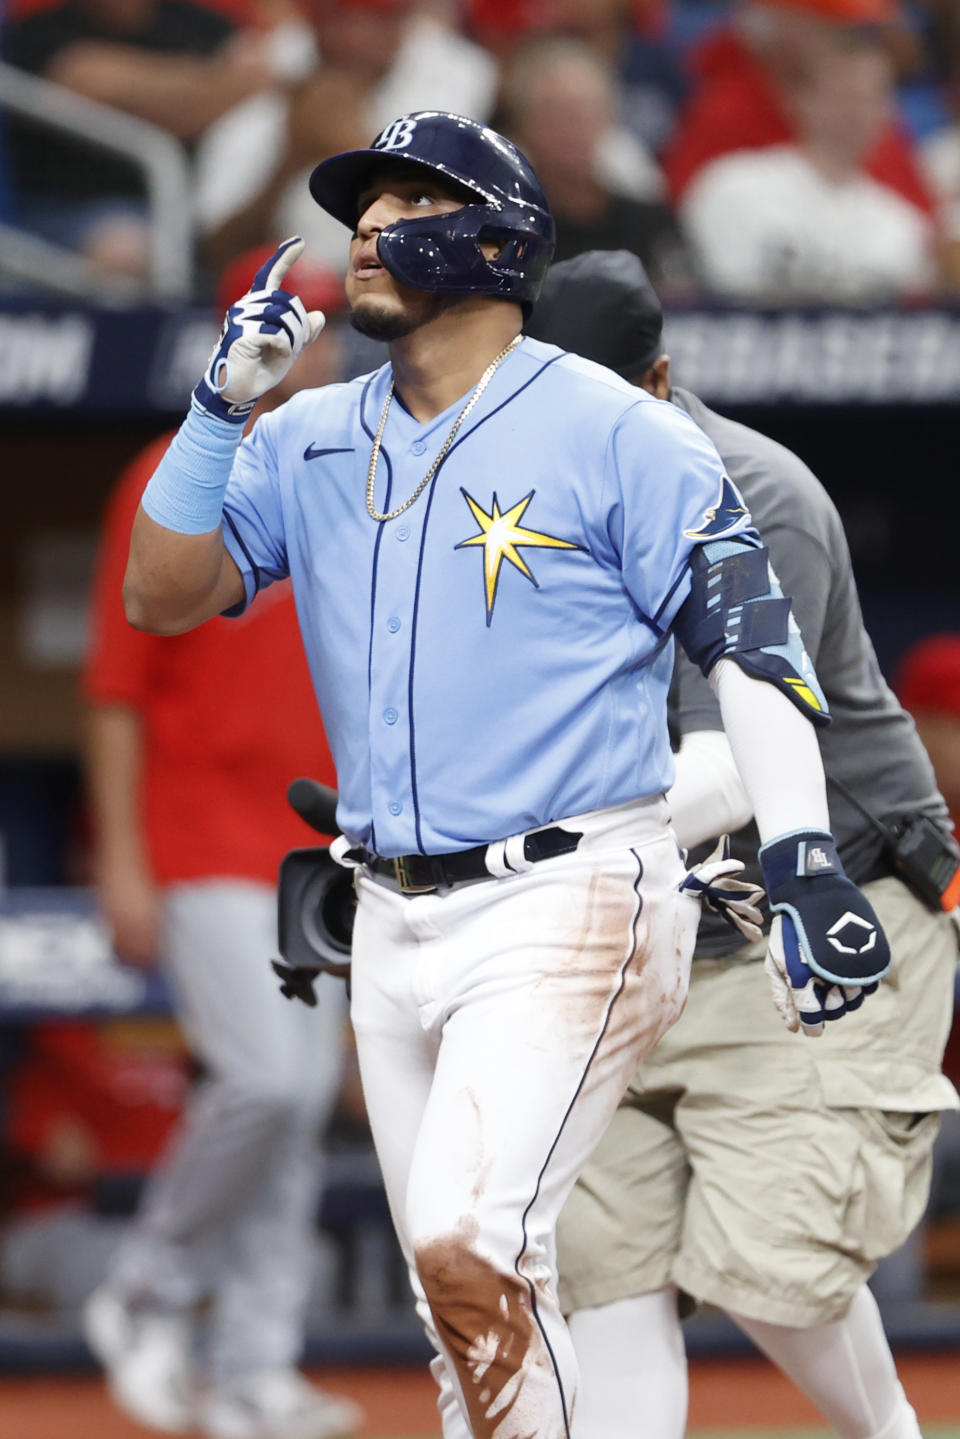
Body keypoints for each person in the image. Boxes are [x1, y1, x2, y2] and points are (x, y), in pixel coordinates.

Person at [119, 111, 891, 1437]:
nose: (369, 228)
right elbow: (162, 595)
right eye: (362, 207)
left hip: (571, 889)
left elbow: (754, 647)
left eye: (411, 201)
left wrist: (800, 850)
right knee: (458, 1288)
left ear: (498, 238)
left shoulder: (616, 428)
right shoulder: (308, 436)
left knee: (473, 1244)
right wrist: (216, 412)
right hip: (392, 916)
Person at [526, 249, 960, 1439]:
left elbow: (724, 768)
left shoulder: (749, 490)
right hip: (630, 929)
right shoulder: (514, 498)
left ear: (658, 381)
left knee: (773, 1260)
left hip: (827, 907)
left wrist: (503, 856)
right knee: (605, 1274)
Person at [82, 249, 362, 1439]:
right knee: (266, 1081)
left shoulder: (358, 466)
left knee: (300, 1112)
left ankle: (252, 1365)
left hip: (322, 843)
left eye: (337, 327)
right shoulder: (174, 469)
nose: (327, 345)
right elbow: (112, 687)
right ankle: (142, 1285)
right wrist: (125, 853)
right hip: (200, 832)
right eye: (303, 325)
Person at [680, 33, 935, 303]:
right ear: (801, 100)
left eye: (871, 96)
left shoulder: (902, 225)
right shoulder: (731, 187)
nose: (857, 112)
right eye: (845, 93)